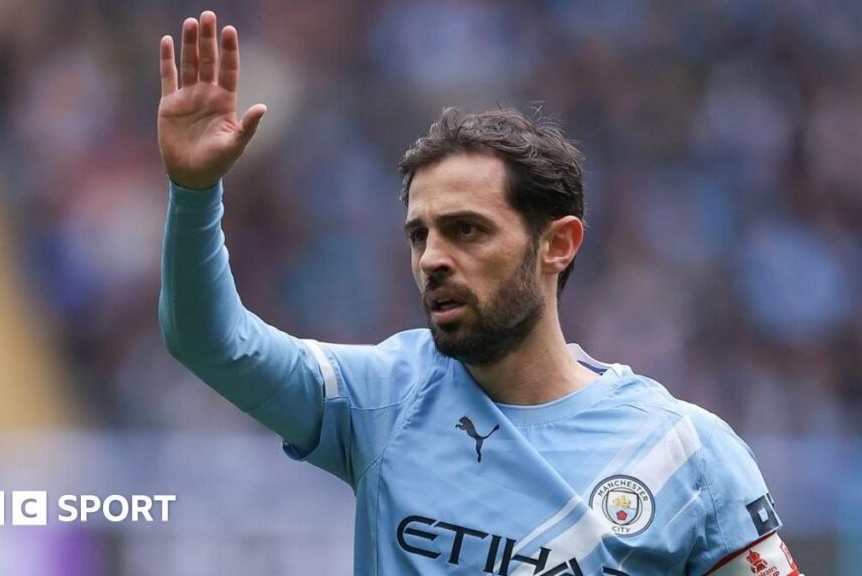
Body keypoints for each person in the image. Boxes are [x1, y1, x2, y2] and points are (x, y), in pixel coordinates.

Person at [157, 11, 803, 576]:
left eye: (467, 230)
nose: (432, 259)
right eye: (420, 235)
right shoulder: (384, 400)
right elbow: (210, 341)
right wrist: (194, 193)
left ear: (558, 244)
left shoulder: (686, 456)